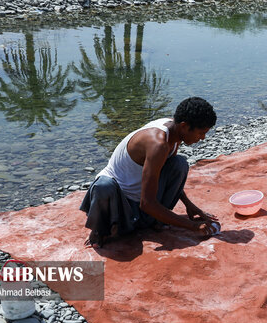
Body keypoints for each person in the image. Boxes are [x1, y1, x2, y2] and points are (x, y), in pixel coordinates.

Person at [80, 97, 220, 248]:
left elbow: (163, 171)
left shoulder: (175, 132)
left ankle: (155, 220)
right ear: (185, 126)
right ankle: (101, 230)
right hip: (121, 204)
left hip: (140, 200)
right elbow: (146, 204)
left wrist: (190, 205)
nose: (203, 138)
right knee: (104, 185)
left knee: (179, 164)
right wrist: (192, 226)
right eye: (201, 133)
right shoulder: (158, 144)